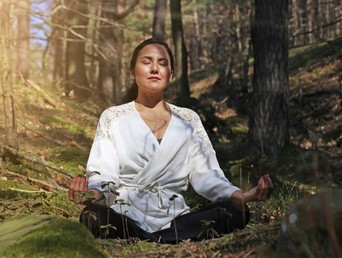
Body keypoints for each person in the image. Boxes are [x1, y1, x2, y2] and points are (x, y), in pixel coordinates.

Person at [68, 38, 273, 244]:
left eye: (163, 63)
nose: (155, 68)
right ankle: (161, 238)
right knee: (92, 216)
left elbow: (208, 176)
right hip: (125, 215)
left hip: (177, 218)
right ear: (133, 72)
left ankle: (150, 238)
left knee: (236, 211)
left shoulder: (188, 119)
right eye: (147, 62)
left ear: (171, 74)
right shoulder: (113, 117)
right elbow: (104, 173)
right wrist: (91, 193)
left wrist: (243, 196)